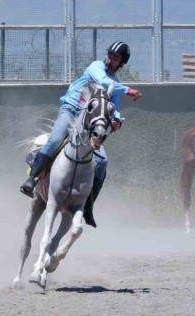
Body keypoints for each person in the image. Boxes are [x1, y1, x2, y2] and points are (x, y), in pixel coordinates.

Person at [19, 41, 142, 227]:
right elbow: (104, 82)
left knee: (102, 162)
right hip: (71, 110)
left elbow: (114, 107)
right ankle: (31, 179)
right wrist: (130, 90)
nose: (110, 60)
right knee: (55, 140)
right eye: (110, 55)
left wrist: (116, 120)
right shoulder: (96, 67)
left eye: (116, 59)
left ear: (121, 63)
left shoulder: (115, 84)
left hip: (90, 122)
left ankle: (88, 207)